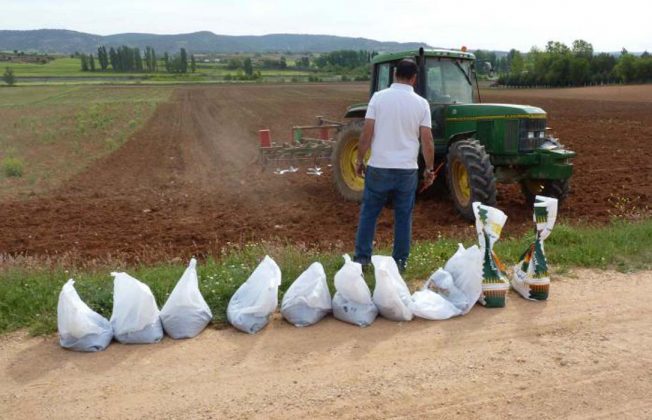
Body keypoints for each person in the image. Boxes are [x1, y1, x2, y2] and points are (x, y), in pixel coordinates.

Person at [353, 58, 435, 272]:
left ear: (394, 74)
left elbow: (367, 133)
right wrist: (429, 168)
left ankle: (362, 260)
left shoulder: (378, 99)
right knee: (403, 217)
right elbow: (427, 140)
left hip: (379, 167)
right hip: (407, 170)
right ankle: (400, 263)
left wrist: (359, 160)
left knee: (369, 213)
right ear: (414, 78)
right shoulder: (421, 104)